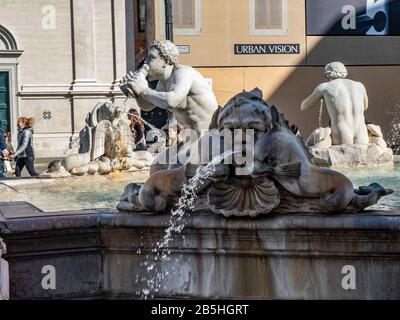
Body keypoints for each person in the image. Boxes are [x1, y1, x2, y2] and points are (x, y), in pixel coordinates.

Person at [121, 40, 218, 135]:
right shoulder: (162, 83)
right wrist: (136, 93)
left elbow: (171, 101)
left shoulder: (183, 72)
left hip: (211, 134)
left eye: (152, 57)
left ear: (166, 61)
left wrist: (144, 90)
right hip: (192, 137)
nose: (146, 61)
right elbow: (147, 106)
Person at [301, 62, 369, 145]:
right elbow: (365, 107)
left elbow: (303, 107)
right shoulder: (360, 85)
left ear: (327, 74)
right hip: (361, 132)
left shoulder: (324, 87)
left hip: (342, 132)